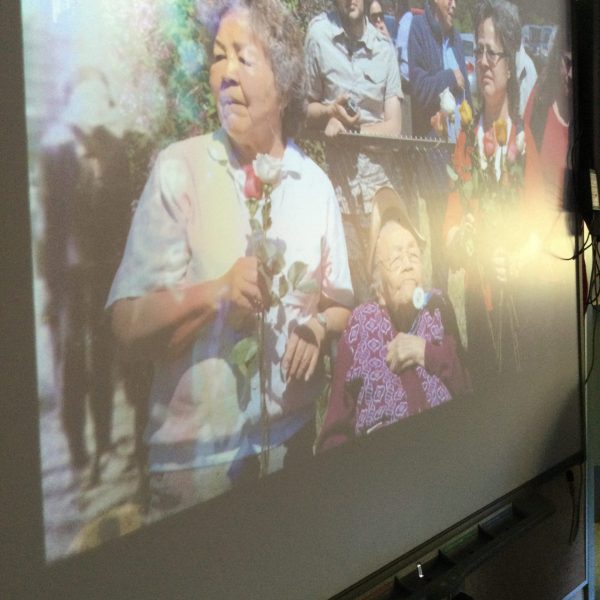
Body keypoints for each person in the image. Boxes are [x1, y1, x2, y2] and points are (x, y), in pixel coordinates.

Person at [108, 0, 353, 519]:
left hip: (290, 447)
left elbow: (340, 302)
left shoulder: (315, 187)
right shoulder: (181, 170)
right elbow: (125, 326)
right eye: (219, 58)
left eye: (244, 58)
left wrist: (316, 329)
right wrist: (218, 291)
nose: (224, 75)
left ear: (284, 82)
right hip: (194, 468)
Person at [316, 188, 470, 452]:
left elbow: (467, 389)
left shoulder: (437, 307)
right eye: (397, 258)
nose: (409, 264)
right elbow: (335, 431)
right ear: (378, 288)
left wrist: (425, 352)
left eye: (413, 256)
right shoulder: (360, 325)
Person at [40, 67, 135, 476]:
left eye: (101, 95)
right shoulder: (55, 151)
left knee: (103, 359)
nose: (96, 103)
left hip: (104, 274)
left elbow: (121, 216)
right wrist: (52, 290)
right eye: (87, 96)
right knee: (72, 362)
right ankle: (78, 450)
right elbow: (51, 224)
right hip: (68, 278)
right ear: (73, 101)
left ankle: (105, 445)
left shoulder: (115, 150)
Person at [443, 0, 525, 387]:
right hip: (479, 307)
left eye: (493, 52)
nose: (484, 61)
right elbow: (451, 220)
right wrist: (461, 237)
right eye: (478, 50)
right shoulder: (468, 137)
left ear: (511, 61)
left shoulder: (527, 141)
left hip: (523, 308)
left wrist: (519, 256)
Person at [305, 0, 404, 304]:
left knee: (386, 298)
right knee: (347, 303)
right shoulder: (318, 36)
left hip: (381, 200)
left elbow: (395, 127)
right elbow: (304, 110)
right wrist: (327, 112)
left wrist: (353, 132)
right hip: (340, 204)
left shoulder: (384, 49)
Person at [408, 0, 472, 141]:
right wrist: (450, 78)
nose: (454, 5)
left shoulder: (456, 38)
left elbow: (466, 94)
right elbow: (419, 90)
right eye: (450, 1)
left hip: (461, 145)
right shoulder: (419, 28)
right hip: (433, 147)